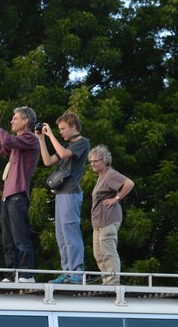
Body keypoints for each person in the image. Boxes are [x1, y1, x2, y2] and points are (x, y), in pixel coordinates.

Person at [0, 106, 40, 282]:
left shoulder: (30, 138)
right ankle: (10, 274)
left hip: (18, 194)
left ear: (25, 121)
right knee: (8, 240)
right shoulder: (17, 142)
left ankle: (25, 274)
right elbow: (0, 148)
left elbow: (6, 141)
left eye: (15, 118)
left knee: (20, 237)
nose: (11, 121)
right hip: (7, 196)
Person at [37, 112, 90, 283]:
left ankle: (77, 272)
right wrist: (41, 139)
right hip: (60, 194)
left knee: (70, 232)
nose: (61, 132)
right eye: (58, 130)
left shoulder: (82, 142)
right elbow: (47, 161)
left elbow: (63, 153)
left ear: (74, 126)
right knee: (61, 235)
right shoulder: (66, 145)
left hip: (71, 193)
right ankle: (67, 270)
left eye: (63, 129)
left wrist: (51, 134)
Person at [88, 145, 134, 285]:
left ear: (104, 160)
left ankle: (113, 282)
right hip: (98, 222)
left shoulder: (110, 174)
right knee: (99, 254)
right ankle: (107, 281)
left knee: (108, 251)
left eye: (95, 161)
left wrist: (116, 198)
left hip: (108, 219)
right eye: (91, 162)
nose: (93, 164)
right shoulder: (101, 176)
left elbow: (129, 183)